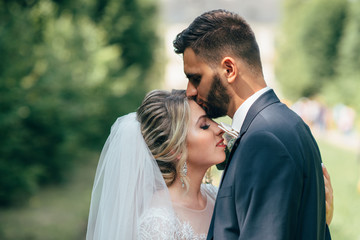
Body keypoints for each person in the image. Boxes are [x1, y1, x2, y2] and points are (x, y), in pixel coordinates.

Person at [86, 89, 333, 239]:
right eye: (204, 125)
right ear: (175, 149)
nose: (219, 129)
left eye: (212, 121)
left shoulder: (217, 196)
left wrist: (319, 219)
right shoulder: (159, 222)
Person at [173, 9, 332, 239]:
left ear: (229, 69)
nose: (190, 91)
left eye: (196, 78)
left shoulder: (264, 141)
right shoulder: (290, 124)